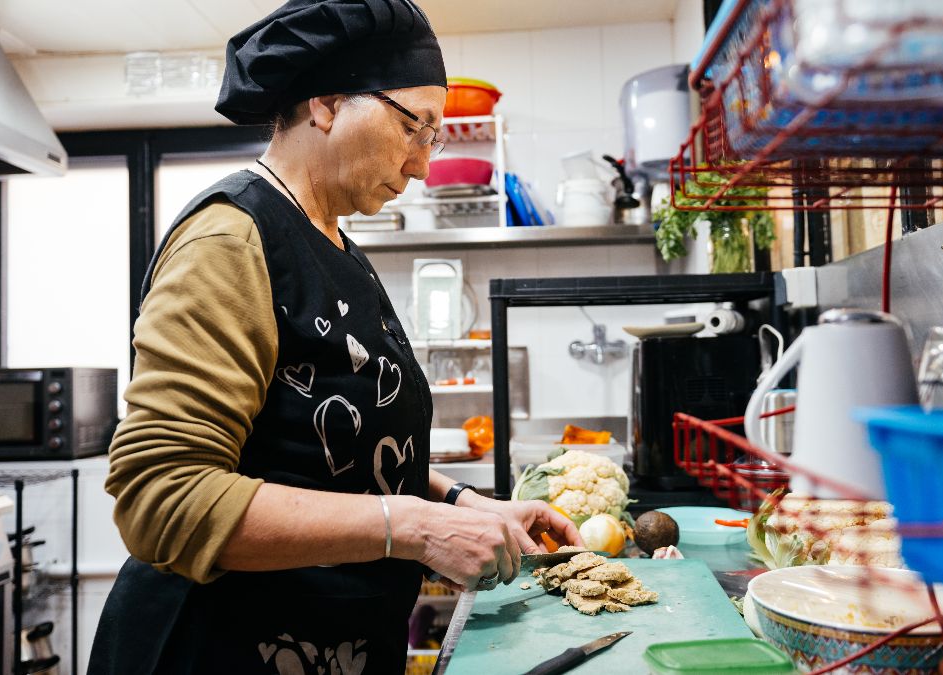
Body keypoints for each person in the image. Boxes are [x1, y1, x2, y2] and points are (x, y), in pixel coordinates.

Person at [87, 2, 581, 673]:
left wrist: (466, 505)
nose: (422, 165)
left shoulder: (337, 245)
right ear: (325, 103)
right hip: (216, 648)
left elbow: (338, 450)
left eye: (432, 138)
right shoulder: (231, 240)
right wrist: (417, 527)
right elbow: (161, 496)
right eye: (413, 127)